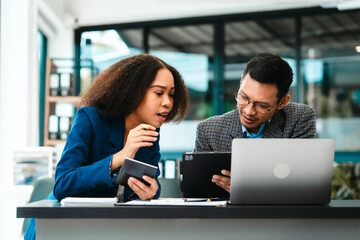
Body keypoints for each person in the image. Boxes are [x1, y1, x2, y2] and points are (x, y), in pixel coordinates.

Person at [24, 54, 189, 239]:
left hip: (106, 229)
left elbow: (151, 180)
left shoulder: (151, 132)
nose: (167, 102)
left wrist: (151, 191)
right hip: (59, 228)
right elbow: (62, 184)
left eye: (171, 94)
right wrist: (121, 156)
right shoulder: (91, 118)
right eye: (159, 93)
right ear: (133, 92)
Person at [194, 53, 316, 193]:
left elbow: (304, 184)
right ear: (241, 83)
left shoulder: (299, 118)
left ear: (282, 102)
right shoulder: (208, 131)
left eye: (262, 106)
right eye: (244, 97)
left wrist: (250, 189)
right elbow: (198, 193)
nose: (249, 111)